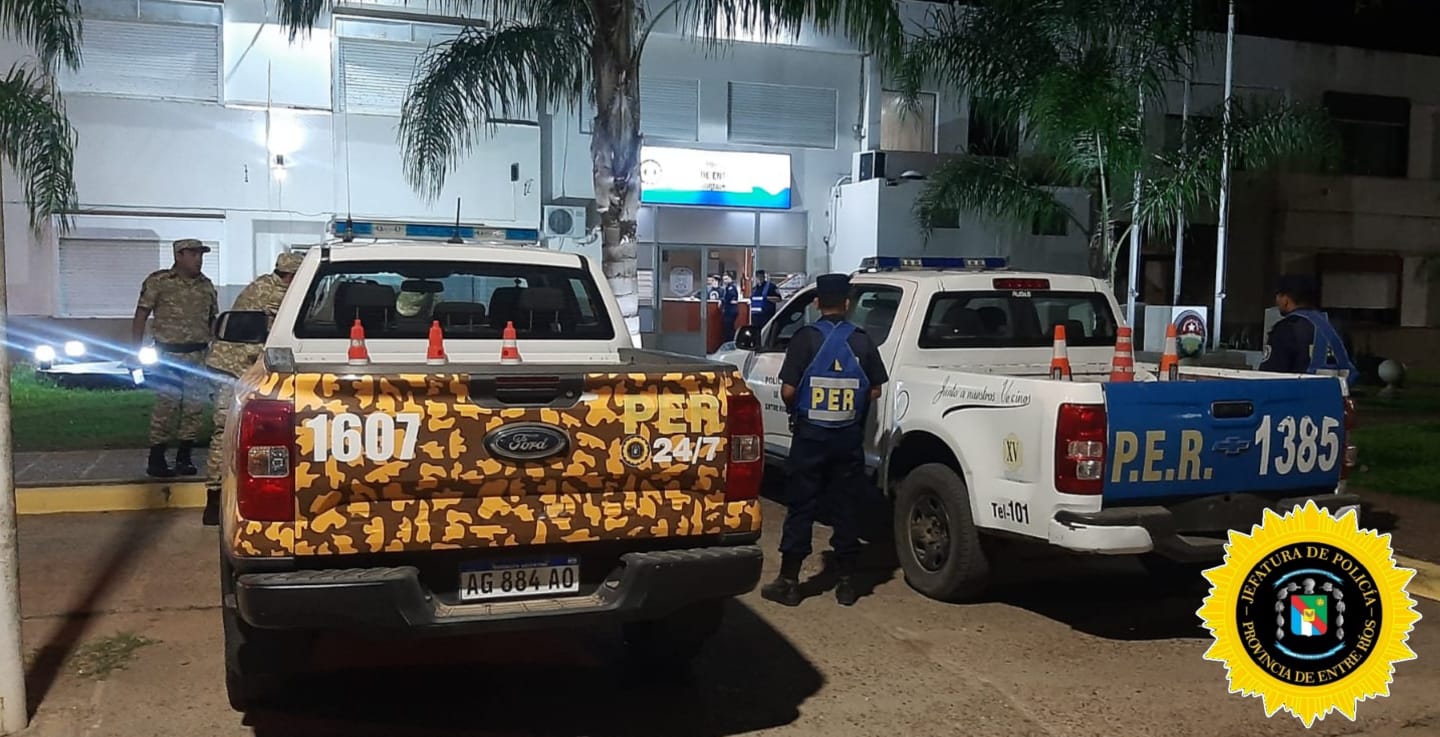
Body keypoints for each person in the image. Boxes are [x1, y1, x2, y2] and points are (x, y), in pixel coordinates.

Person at [760, 273, 889, 608]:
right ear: (848, 304)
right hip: (848, 439)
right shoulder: (861, 340)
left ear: (817, 303)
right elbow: (875, 388)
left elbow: (788, 390)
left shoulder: (805, 339)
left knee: (802, 505)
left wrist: (804, 404)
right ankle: (847, 585)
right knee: (846, 507)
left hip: (810, 440)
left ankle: (789, 582)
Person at [201, 250, 302, 526]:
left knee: (233, 433)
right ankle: (215, 500)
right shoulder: (278, 295)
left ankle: (216, 500)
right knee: (229, 432)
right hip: (236, 368)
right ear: (292, 276)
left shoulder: (261, 283)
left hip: (234, 366)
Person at [133, 238, 218, 479]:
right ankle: (157, 457)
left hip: (197, 354)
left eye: (201, 254)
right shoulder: (159, 282)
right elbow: (141, 315)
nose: (198, 259)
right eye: (193, 254)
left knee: (193, 407)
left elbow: (212, 320)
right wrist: (134, 350)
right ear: (179, 255)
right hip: (168, 355)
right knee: (166, 405)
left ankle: (184, 457)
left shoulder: (206, 286)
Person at [1258, 273, 1357, 387]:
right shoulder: (1335, 328)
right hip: (1335, 399)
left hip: (1300, 400)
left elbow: (1270, 377)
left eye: (1278, 296)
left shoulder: (1287, 328)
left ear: (1286, 299)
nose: (1277, 301)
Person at [719, 272, 740, 342]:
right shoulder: (727, 287)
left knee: (728, 328)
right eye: (724, 279)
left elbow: (729, 296)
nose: (725, 281)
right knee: (728, 328)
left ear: (730, 278)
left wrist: (722, 301)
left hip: (731, 311)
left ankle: (730, 342)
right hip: (730, 310)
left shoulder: (731, 287)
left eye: (726, 279)